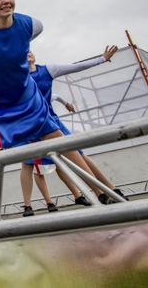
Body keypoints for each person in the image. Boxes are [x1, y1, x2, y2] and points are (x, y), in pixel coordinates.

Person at [0, 0, 104, 223]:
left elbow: (28, 41)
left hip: (20, 90)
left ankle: (99, 191)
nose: (5, 1)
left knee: (53, 133)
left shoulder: (30, 25)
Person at [27, 48, 126, 205]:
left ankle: (111, 189)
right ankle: (97, 193)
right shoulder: (17, 78)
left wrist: (102, 59)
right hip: (35, 126)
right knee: (38, 165)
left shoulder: (48, 70)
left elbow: (76, 67)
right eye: (23, 51)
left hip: (52, 121)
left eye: (29, 50)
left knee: (80, 155)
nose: (27, 53)